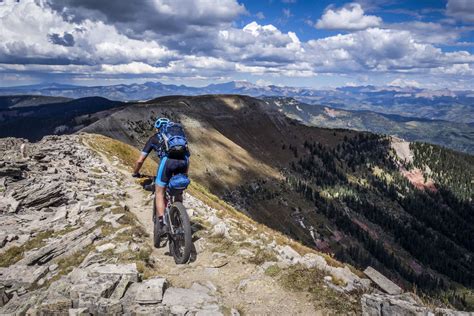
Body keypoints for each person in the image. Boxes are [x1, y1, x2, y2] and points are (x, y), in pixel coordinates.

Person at [132, 117, 190, 235]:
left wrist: (135, 173)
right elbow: (187, 155)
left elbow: (140, 161)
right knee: (179, 190)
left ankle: (162, 224)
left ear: (158, 129)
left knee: (159, 192)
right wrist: (185, 174)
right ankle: (178, 218)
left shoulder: (154, 138)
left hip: (167, 162)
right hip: (184, 161)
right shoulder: (179, 138)